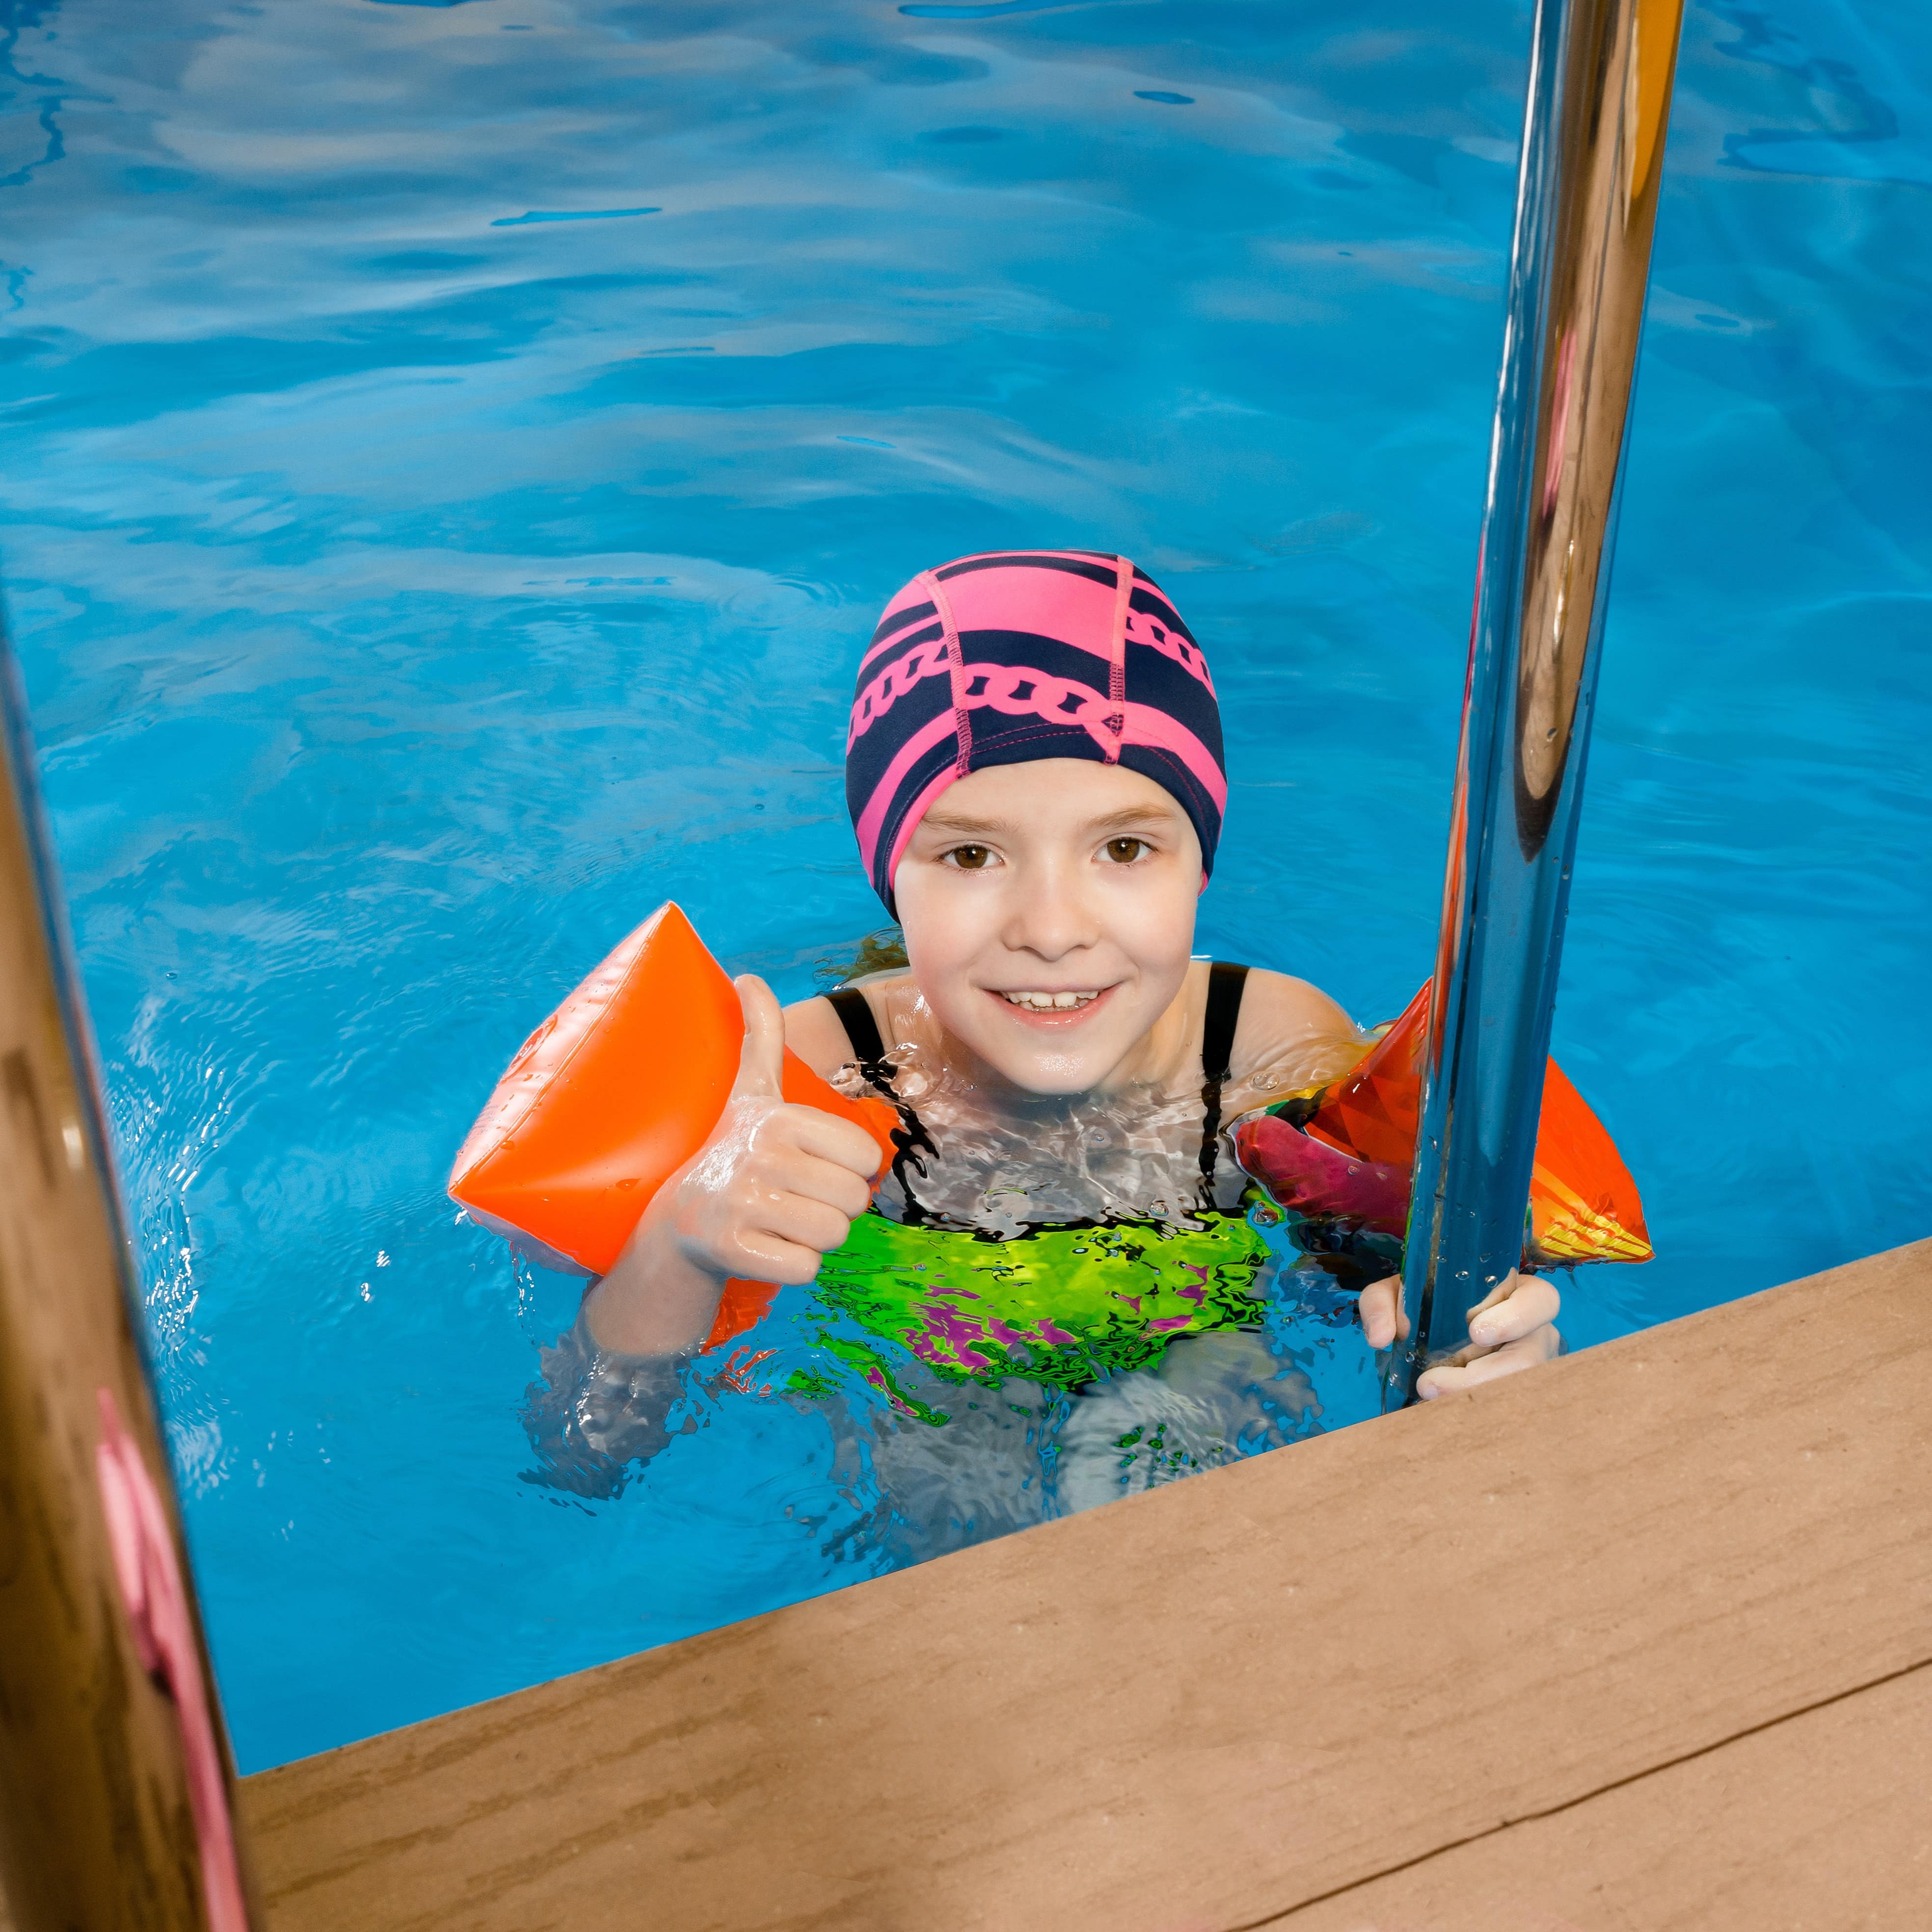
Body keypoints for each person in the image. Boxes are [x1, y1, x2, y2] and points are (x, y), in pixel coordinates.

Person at [532, 551, 1559, 1534]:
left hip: (1188, 1350)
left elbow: (1356, 1282)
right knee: (948, 1469)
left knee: (1221, 1393)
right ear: (894, 877)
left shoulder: (1264, 1048)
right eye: (973, 853)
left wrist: (1474, 1340)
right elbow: (586, 1459)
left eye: (1124, 847)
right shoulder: (809, 1078)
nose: (1054, 928)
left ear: (1200, 862)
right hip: (931, 1379)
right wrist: (680, 1240)